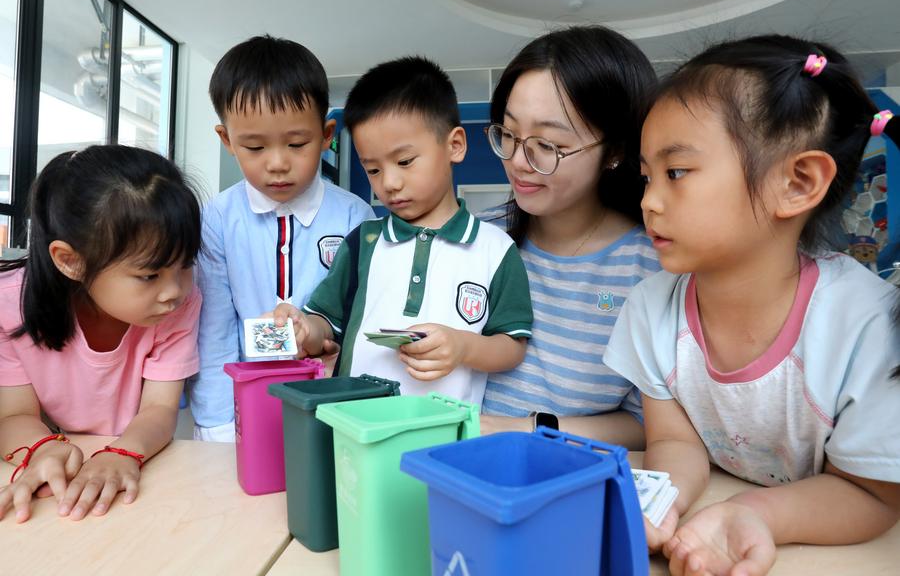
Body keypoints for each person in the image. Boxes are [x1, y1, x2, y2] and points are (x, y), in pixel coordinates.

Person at [603, 35, 900, 576]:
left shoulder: (869, 327)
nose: (647, 200)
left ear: (798, 183)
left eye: (677, 173)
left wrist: (754, 515)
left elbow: (872, 495)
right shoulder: (651, 309)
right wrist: (659, 502)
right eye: (647, 176)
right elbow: (675, 441)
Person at [279, 56, 533, 404]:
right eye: (373, 170)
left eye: (404, 162)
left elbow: (512, 345)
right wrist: (304, 330)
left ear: (454, 145)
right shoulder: (363, 241)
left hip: (446, 433)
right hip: (353, 424)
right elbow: (325, 322)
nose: (390, 183)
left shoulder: (496, 249)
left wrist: (463, 346)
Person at [477, 26, 660, 449]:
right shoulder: (479, 238)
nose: (519, 162)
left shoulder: (650, 267)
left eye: (547, 144)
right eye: (508, 134)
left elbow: (647, 425)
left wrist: (526, 428)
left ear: (615, 150)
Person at [0, 145, 202, 523]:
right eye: (149, 274)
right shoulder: (9, 304)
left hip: (140, 462)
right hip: (63, 478)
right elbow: (13, 415)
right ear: (71, 261)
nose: (175, 290)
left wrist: (124, 453)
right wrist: (40, 449)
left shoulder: (178, 304)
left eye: (186, 265)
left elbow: (159, 408)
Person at [191, 35, 374, 441]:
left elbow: (360, 320)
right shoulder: (217, 219)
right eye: (254, 147)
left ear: (327, 134)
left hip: (330, 404)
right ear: (226, 141)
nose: (277, 163)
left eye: (296, 144)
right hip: (244, 403)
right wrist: (217, 423)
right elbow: (214, 329)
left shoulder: (354, 217)